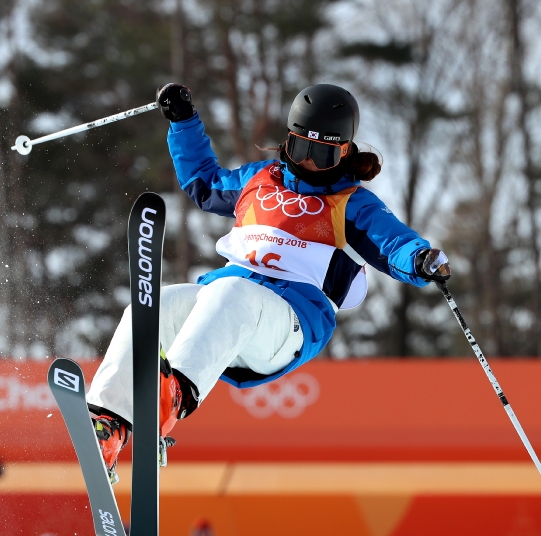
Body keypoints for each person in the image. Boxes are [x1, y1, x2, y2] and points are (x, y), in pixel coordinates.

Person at [85, 82, 452, 483]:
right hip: (225, 313)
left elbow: (393, 243)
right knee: (155, 306)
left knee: (232, 292)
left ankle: (172, 398)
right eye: (301, 150)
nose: (310, 163)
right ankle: (109, 424)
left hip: (290, 322)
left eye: (323, 154)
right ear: (288, 142)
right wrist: (184, 121)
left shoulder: (352, 203)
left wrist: (420, 258)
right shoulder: (260, 179)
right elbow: (205, 183)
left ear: (345, 153)